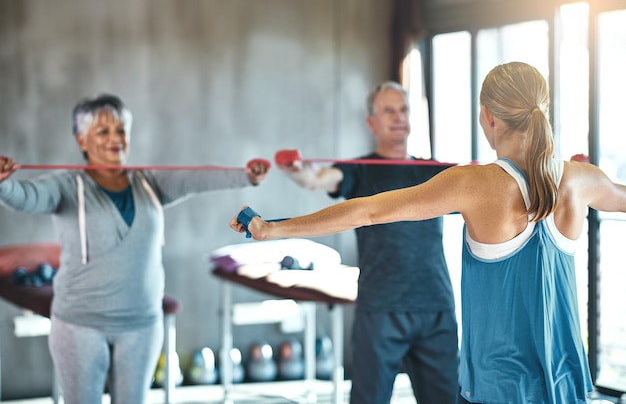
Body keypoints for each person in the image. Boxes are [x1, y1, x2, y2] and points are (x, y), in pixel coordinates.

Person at [232, 61, 626, 404]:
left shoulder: (471, 183)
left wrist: (271, 229)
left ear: (488, 116)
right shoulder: (581, 180)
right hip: (569, 387)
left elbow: (368, 211)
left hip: (494, 388)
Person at [0, 94, 269, 404]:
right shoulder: (65, 186)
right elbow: (26, 195)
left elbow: (194, 177)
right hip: (80, 326)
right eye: (103, 131)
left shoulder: (148, 183)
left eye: (121, 130)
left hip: (142, 324)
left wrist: (246, 176)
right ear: (82, 140)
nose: (116, 139)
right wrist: (4, 184)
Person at [274, 81, 459, 404]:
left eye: (403, 110)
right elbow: (316, 179)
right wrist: (297, 170)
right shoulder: (359, 170)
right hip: (380, 309)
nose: (399, 117)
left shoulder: (436, 172)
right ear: (371, 122)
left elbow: (492, 186)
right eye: (389, 110)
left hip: (435, 307)